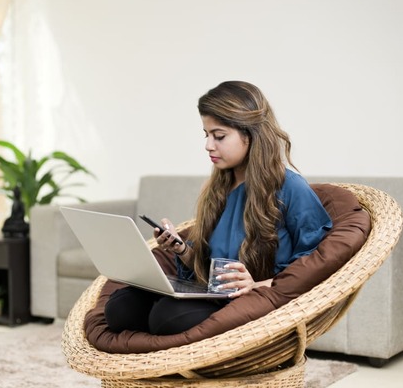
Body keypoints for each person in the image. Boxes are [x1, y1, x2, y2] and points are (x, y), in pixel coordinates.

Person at [104, 81, 332, 335]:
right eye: (206, 134)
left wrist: (260, 284)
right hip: (211, 293)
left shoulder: (290, 187)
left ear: (250, 134)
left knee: (166, 317)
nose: (208, 145)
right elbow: (206, 266)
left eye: (219, 136)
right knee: (120, 307)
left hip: (250, 301)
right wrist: (180, 248)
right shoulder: (217, 187)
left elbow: (316, 262)